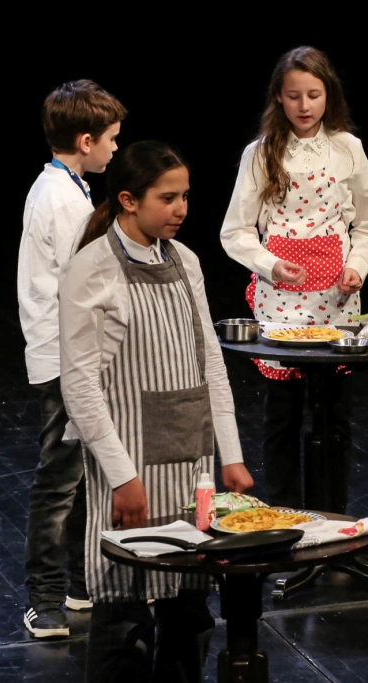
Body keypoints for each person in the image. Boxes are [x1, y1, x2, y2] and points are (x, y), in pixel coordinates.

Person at [60, 140, 254, 681]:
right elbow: (80, 385)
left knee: (190, 609)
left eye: (185, 196)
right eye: (167, 198)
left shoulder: (185, 261)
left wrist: (231, 455)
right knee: (125, 611)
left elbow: (209, 362)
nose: (181, 209)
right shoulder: (92, 269)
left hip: (190, 464)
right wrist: (123, 478)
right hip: (131, 466)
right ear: (128, 200)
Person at [220, 46, 368, 512]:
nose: (305, 105)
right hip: (282, 301)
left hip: (335, 300)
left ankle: (331, 514)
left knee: (333, 416)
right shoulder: (261, 153)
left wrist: (357, 267)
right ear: (279, 97)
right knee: (283, 415)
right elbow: (235, 231)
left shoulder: (347, 149)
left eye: (314, 95)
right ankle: (286, 515)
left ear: (328, 95)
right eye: (294, 96)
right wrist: (271, 265)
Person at [17, 79, 126, 638]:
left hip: (73, 351)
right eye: (111, 138)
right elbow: (77, 284)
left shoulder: (67, 188)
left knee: (84, 474)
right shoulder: (61, 199)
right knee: (60, 477)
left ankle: (81, 583)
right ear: (86, 141)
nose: (115, 147)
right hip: (64, 356)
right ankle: (43, 596)